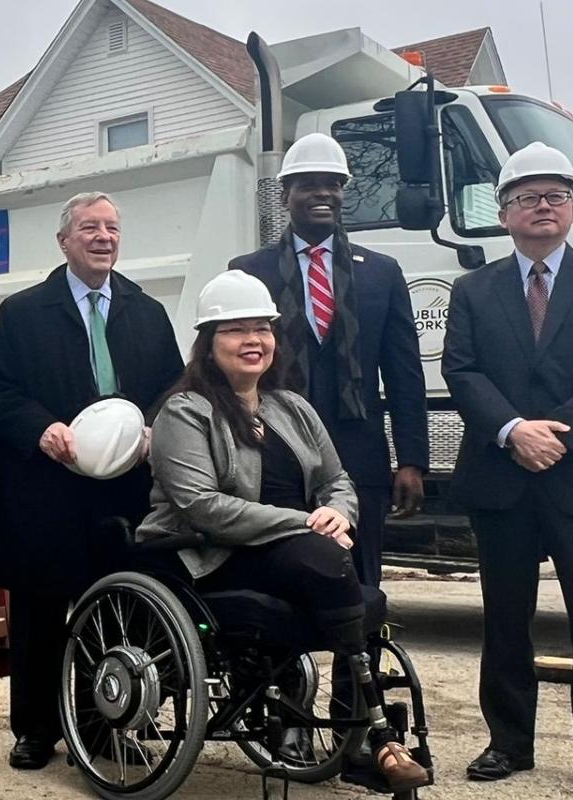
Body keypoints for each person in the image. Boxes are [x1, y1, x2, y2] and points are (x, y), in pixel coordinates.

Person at [136, 270, 432, 794]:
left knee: (347, 577)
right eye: (235, 330)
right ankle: (377, 737)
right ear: (208, 344)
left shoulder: (291, 407)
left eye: (263, 328)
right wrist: (305, 522)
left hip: (301, 550)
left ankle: (352, 729)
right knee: (324, 562)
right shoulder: (184, 412)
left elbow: (336, 479)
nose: (253, 341)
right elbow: (202, 507)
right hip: (212, 554)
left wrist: (339, 513)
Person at [444, 142, 573, 800]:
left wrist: (554, 434)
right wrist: (512, 431)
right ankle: (508, 742)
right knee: (505, 621)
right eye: (526, 198)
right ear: (503, 215)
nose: (543, 207)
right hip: (503, 478)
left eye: (556, 195)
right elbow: (462, 370)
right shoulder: (472, 291)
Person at [0, 191, 181, 770]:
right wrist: (40, 428)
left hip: (124, 488)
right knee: (41, 612)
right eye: (90, 228)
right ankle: (37, 730)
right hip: (49, 485)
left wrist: (153, 428)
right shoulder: (22, 312)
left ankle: (104, 728)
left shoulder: (146, 311)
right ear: (64, 240)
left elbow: (173, 386)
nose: (103, 238)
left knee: (119, 610)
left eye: (112, 228)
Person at [230, 132, 429, 588]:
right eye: (309, 184)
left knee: (360, 586)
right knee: (279, 580)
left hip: (360, 456)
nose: (323, 193)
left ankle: (356, 663)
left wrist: (412, 460)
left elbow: (404, 374)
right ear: (285, 196)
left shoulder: (381, 273)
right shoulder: (248, 272)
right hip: (273, 454)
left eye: (334, 184)